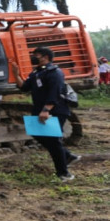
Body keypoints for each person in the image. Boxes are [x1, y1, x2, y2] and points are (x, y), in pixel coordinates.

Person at [11, 46, 81, 182]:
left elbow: (55, 92)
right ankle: (67, 156)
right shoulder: (37, 73)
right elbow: (24, 88)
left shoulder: (55, 72)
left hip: (55, 110)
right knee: (36, 134)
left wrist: (46, 110)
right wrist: (16, 73)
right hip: (40, 109)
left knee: (53, 141)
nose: (33, 57)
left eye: (36, 55)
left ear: (45, 57)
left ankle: (64, 173)